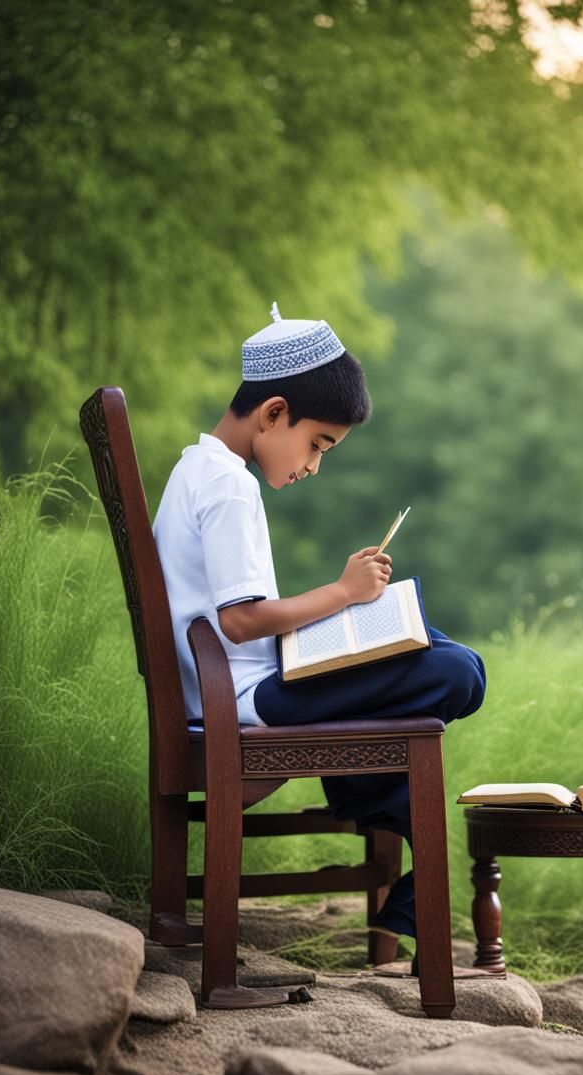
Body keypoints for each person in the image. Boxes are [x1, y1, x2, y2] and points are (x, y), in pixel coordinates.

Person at [153, 303, 486, 946]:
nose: (313, 465)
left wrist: (351, 605)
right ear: (274, 412)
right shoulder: (228, 487)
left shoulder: (200, 470)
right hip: (246, 699)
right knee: (458, 671)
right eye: (317, 445)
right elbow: (244, 620)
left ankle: (385, 830)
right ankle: (386, 831)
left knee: (433, 642)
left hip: (248, 684)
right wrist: (340, 592)